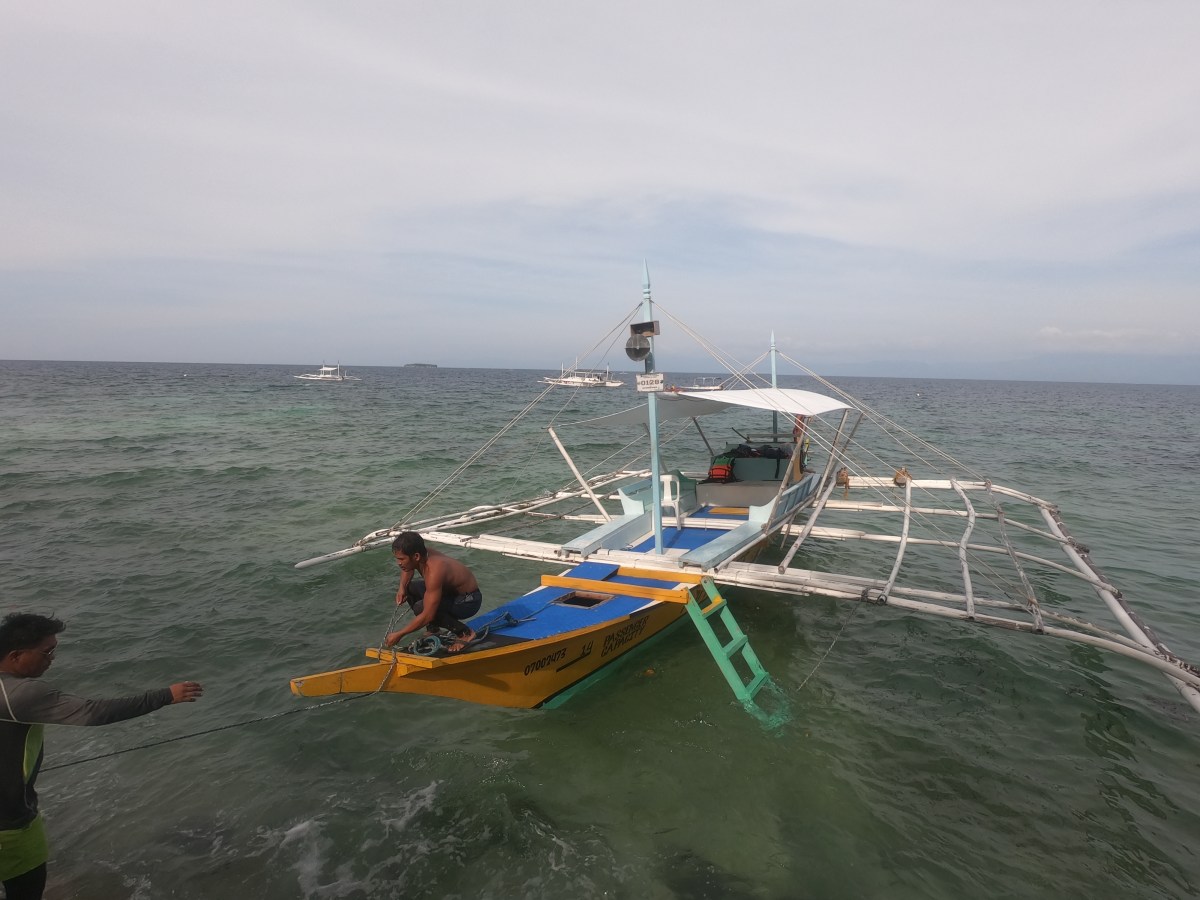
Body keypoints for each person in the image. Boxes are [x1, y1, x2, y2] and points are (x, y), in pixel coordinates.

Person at [0, 613, 203, 900]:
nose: (52, 659)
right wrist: (166, 696)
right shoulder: (20, 694)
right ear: (16, 655)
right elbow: (93, 712)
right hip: (9, 827)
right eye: (47, 651)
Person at [384, 532, 481, 651]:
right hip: (449, 593)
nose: (399, 563)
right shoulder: (421, 554)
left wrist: (400, 634)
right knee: (410, 588)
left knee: (421, 607)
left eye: (401, 559)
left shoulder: (434, 570)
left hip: (469, 601)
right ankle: (434, 629)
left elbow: (428, 615)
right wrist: (402, 588)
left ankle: (465, 633)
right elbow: (408, 568)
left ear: (416, 556)